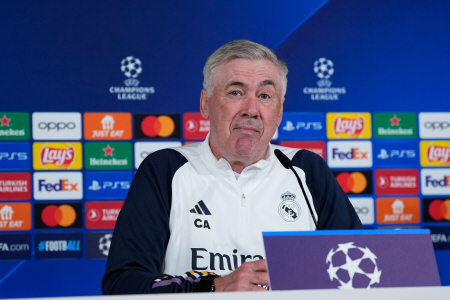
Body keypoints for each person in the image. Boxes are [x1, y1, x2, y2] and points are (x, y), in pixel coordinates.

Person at [101, 40, 362, 294]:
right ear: (205, 104)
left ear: (279, 111)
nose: (251, 109)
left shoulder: (306, 169)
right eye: (236, 92)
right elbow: (122, 284)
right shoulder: (165, 169)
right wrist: (213, 287)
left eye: (264, 95)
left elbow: (363, 270)